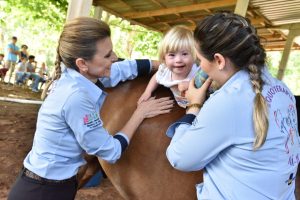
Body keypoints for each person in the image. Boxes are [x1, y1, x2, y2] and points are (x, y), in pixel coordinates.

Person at [8, 17, 173, 200]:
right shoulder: (76, 97)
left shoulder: (78, 75)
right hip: (45, 192)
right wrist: (139, 113)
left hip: (49, 185)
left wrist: (163, 65)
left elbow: (124, 68)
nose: (115, 57)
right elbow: (110, 151)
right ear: (82, 64)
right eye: (107, 55)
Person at [166, 12, 299, 200]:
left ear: (219, 60)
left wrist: (193, 106)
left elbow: (179, 158)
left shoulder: (227, 101)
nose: (200, 66)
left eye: (200, 61)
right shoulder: (282, 89)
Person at [138, 25, 198, 108]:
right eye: (172, 55)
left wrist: (190, 85)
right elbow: (156, 78)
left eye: (184, 54)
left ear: (195, 55)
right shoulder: (165, 72)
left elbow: (210, 86)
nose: (178, 60)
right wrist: (147, 92)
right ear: (164, 57)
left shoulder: (198, 72)